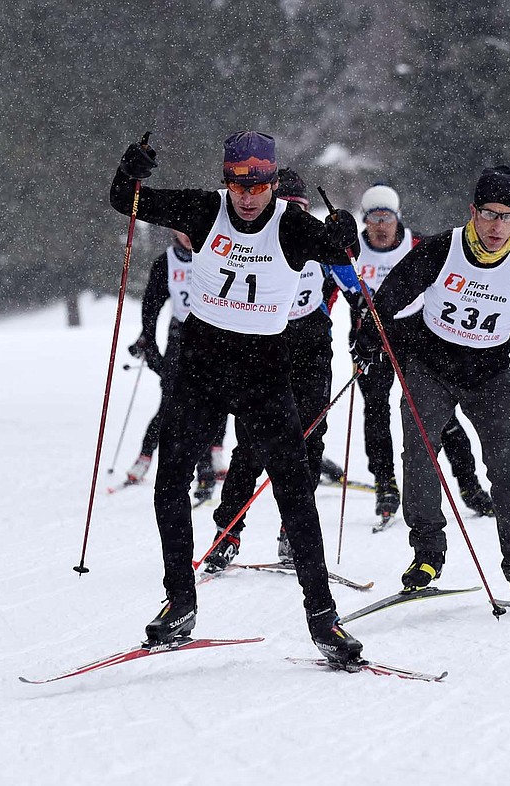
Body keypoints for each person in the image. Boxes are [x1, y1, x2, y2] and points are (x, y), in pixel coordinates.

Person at [110, 131, 364, 665]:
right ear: (225, 181)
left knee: (296, 491)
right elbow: (126, 201)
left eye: (259, 185)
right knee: (171, 483)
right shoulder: (204, 210)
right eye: (238, 185)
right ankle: (180, 602)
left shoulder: (292, 226)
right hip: (201, 365)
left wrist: (344, 233)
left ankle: (324, 621)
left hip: (263, 370)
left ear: (273, 181)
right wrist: (129, 173)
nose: (248, 196)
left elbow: (344, 255)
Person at [350, 165, 510, 607]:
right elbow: (394, 292)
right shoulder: (443, 249)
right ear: (473, 211)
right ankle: (427, 555)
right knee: (419, 454)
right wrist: (369, 336)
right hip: (430, 367)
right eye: (490, 214)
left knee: (507, 471)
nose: (497, 226)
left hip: (489, 377)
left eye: (507, 217)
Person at [204, 168, 362, 570]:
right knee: (252, 445)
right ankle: (228, 532)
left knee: (309, 441)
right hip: (263, 345)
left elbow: (358, 292)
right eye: (289, 207)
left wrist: (370, 331)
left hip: (311, 344)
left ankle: (294, 533)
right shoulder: (258, 240)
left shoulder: (317, 243)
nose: (296, 216)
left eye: (302, 208)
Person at [353, 184, 495, 521]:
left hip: (416, 336)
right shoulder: (351, 250)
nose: (381, 225)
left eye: (387, 217)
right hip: (371, 338)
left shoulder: (417, 244)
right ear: (365, 219)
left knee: (440, 412)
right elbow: (330, 290)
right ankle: (385, 483)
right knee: (376, 410)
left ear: (397, 217)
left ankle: (469, 483)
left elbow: (450, 280)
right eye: (374, 217)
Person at [124, 230, 226, 502]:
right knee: (171, 404)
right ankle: (145, 457)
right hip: (180, 336)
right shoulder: (166, 263)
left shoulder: (216, 254)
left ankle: (212, 458)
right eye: (182, 230)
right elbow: (151, 307)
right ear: (173, 232)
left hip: (214, 336)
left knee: (214, 401)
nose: (189, 235)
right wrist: (148, 340)